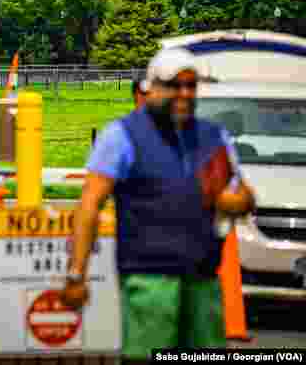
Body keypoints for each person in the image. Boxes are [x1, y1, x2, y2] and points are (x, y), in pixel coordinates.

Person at [62, 48, 256, 363]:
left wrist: (233, 200)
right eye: (173, 85)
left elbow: (243, 197)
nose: (183, 94)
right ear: (151, 87)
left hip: (203, 281)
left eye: (191, 86)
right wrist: (76, 275)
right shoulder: (122, 136)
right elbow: (89, 206)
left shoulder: (213, 137)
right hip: (149, 282)